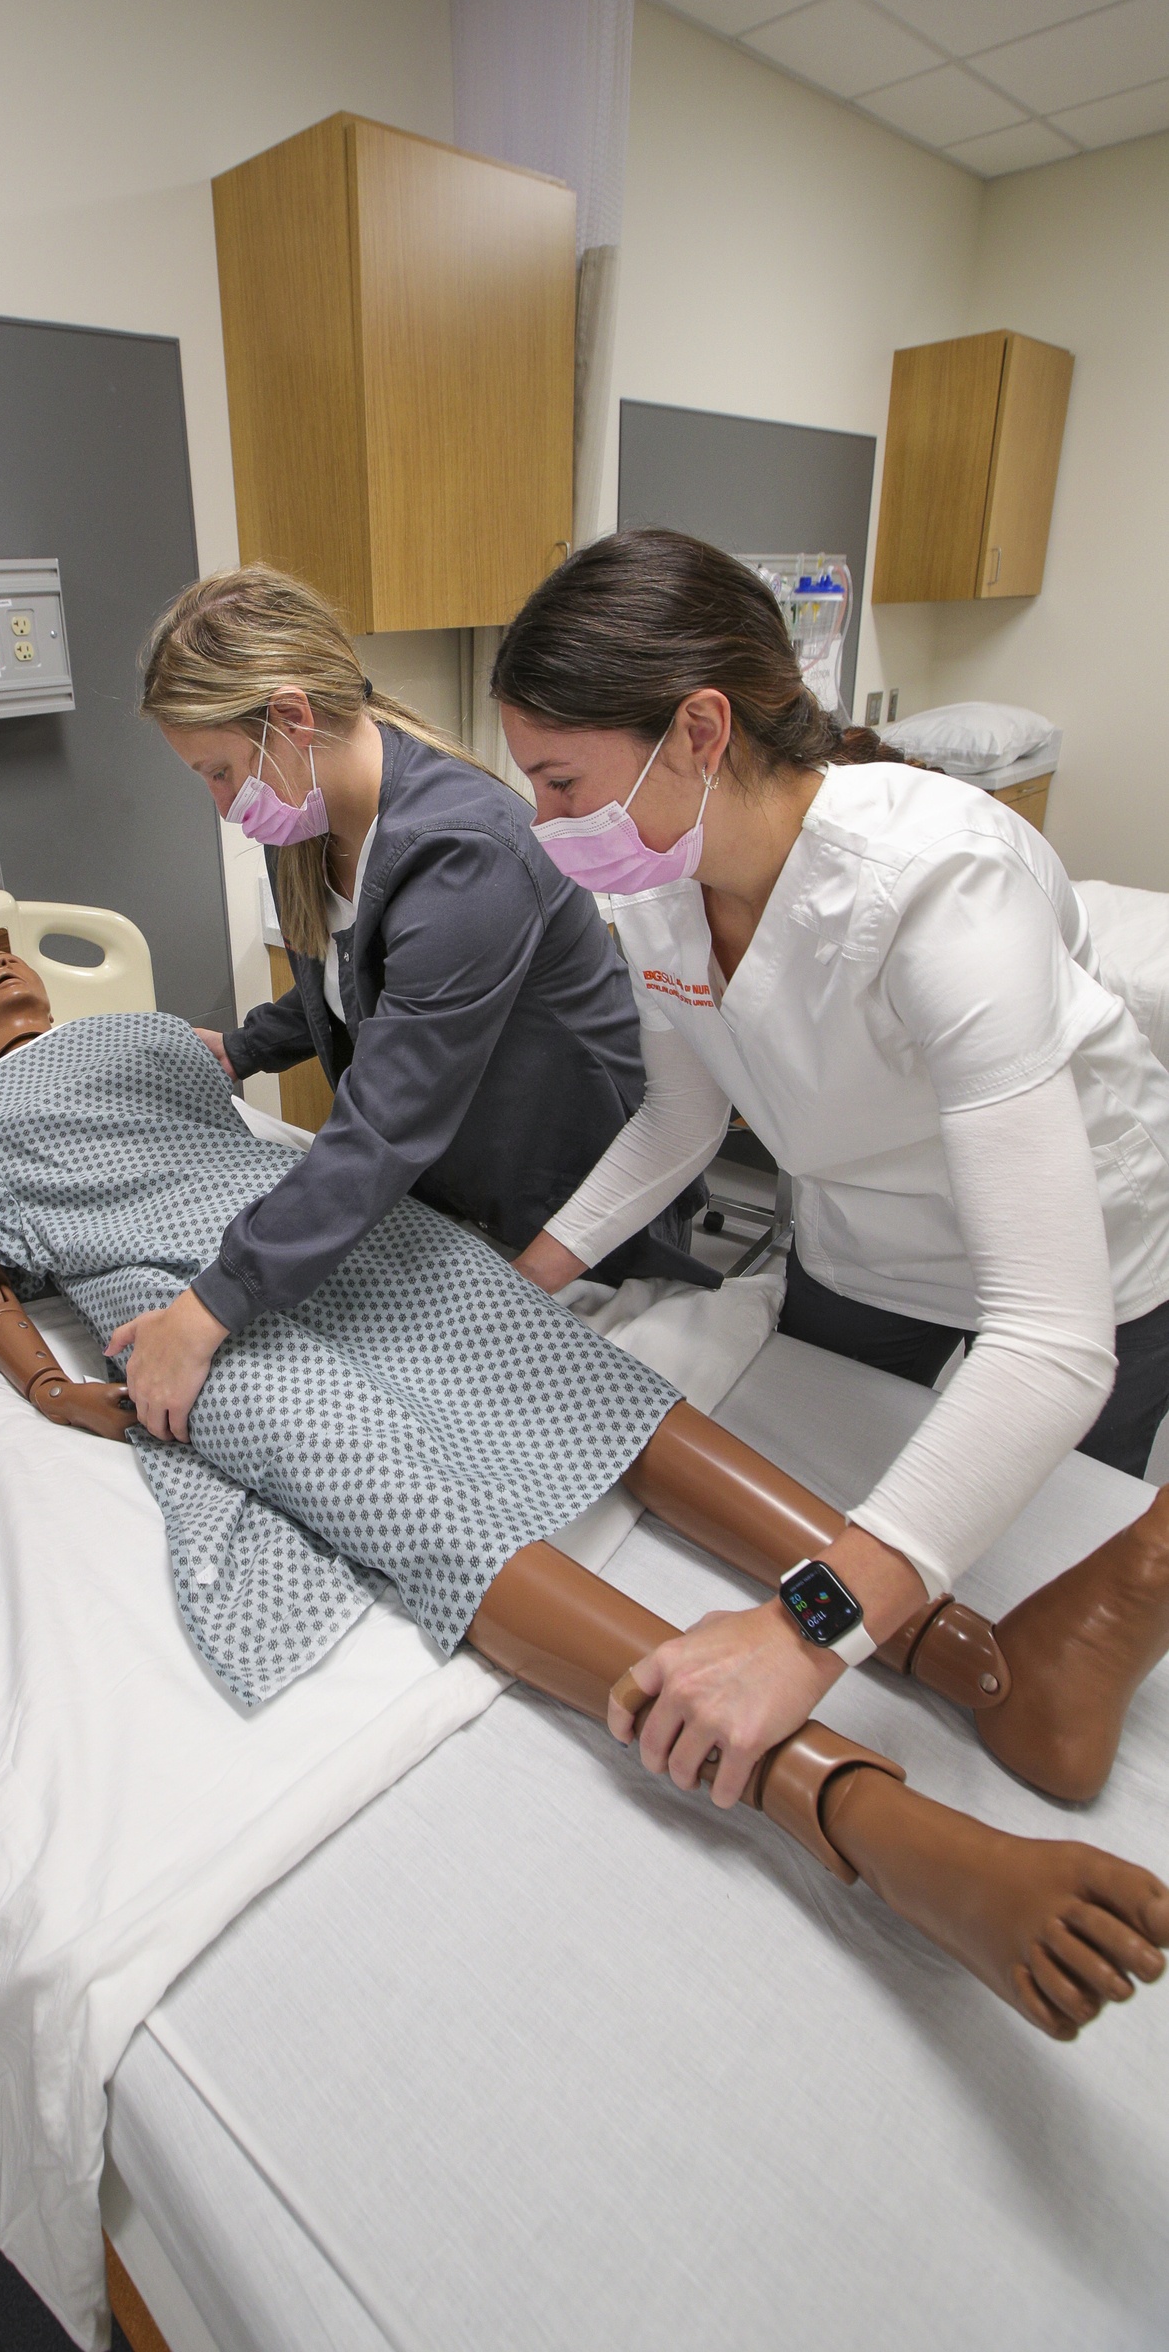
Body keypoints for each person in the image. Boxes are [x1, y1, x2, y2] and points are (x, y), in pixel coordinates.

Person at [0, 944, 1169, 2044]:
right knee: (398, 1496)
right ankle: (851, 1803)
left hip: (303, 1224)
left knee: (561, 1368)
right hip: (172, 1321)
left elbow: (293, 1079)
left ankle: (966, 1655)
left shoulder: (149, 1038)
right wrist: (48, 1390)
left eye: (10, 950)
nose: (0, 958)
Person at [494, 526, 1169, 1811]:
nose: (547, 824)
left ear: (698, 731)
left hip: (1083, 1240)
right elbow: (678, 1126)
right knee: (828, 1472)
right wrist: (530, 1274)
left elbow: (1052, 1337)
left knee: (1052, 1539)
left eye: (563, 782)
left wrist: (804, 1629)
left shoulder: (935, 884)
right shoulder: (663, 887)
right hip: (866, 1228)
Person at [117, 565, 705, 1443]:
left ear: (289, 719)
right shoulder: (314, 823)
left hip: (570, 1201)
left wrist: (208, 1308)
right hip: (460, 1201)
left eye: (220, 771)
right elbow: (355, 981)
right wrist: (243, 1049)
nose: (223, 805)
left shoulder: (464, 855)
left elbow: (389, 1113)